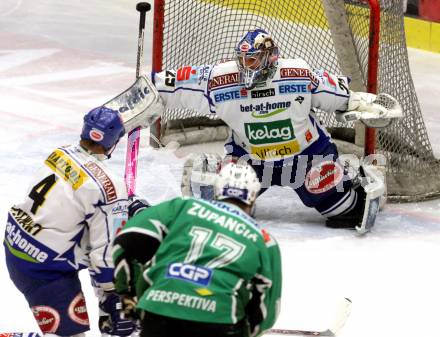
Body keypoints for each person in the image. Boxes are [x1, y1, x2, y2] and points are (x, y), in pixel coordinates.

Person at [151, 28, 401, 234]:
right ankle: (223, 175)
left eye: (252, 60)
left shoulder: (297, 74)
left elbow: (339, 95)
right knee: (224, 214)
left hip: (308, 157)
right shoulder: (219, 79)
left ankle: (359, 175)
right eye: (242, 60)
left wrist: (362, 104)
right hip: (251, 160)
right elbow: (168, 84)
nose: (245, 67)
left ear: (270, 58)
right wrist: (144, 97)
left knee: (344, 210)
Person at [4, 106, 136, 336]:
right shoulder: (110, 188)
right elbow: (105, 258)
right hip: (45, 269)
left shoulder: (60, 152)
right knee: (114, 273)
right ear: (113, 140)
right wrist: (117, 298)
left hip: (17, 244)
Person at [112, 161, 282, 337]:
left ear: (217, 190)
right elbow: (268, 307)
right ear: (253, 197)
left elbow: (127, 239)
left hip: (159, 308)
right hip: (220, 319)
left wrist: (128, 294)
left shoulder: (183, 207)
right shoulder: (264, 240)